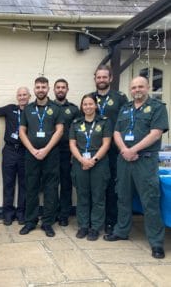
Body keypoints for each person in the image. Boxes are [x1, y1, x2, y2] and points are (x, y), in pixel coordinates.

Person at [104, 76, 169, 259]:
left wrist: (133, 149)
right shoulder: (125, 109)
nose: (137, 90)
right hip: (124, 159)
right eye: (133, 87)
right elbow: (116, 132)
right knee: (123, 198)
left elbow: (156, 133)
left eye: (140, 86)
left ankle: (156, 243)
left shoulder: (157, 107)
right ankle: (121, 231)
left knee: (150, 201)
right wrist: (125, 150)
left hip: (145, 160)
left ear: (147, 87)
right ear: (130, 90)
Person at [18, 76, 64, 237]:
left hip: (51, 154)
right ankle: (30, 222)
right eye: (38, 87)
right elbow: (22, 131)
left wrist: (46, 149)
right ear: (34, 89)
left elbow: (59, 130)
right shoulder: (28, 109)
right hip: (31, 155)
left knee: (51, 189)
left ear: (48, 88)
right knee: (31, 188)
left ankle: (47, 223)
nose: (41, 90)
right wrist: (32, 149)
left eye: (43, 87)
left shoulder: (56, 109)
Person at [0, 84, 31, 225]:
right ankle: (8, 213)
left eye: (24, 95)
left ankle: (21, 213)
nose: (22, 97)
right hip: (10, 150)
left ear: (29, 97)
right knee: (8, 183)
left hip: (26, 151)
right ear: (17, 97)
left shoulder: (34, 111)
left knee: (24, 184)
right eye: (20, 95)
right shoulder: (10, 109)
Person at [91, 65, 128, 234]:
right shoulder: (89, 98)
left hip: (114, 150)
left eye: (104, 77)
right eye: (99, 77)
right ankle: (95, 221)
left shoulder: (119, 98)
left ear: (111, 78)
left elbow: (127, 120)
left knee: (113, 185)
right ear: (95, 79)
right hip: (93, 150)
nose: (101, 80)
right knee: (96, 187)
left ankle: (111, 221)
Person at [69, 94, 111, 241]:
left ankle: (95, 228)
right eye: (85, 104)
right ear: (82, 107)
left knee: (98, 196)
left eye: (90, 104)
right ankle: (83, 226)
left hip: (99, 163)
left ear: (95, 105)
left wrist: (93, 160)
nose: (87, 107)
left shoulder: (104, 122)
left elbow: (106, 143)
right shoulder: (75, 123)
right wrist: (81, 160)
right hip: (80, 162)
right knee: (82, 195)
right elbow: (72, 144)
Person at [53, 79, 80, 227]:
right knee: (51, 184)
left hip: (67, 151)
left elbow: (78, 132)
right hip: (51, 150)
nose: (60, 90)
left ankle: (64, 214)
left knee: (66, 184)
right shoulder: (49, 107)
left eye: (63, 87)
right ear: (54, 90)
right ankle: (52, 212)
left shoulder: (74, 109)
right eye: (58, 87)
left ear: (67, 89)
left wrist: (74, 153)